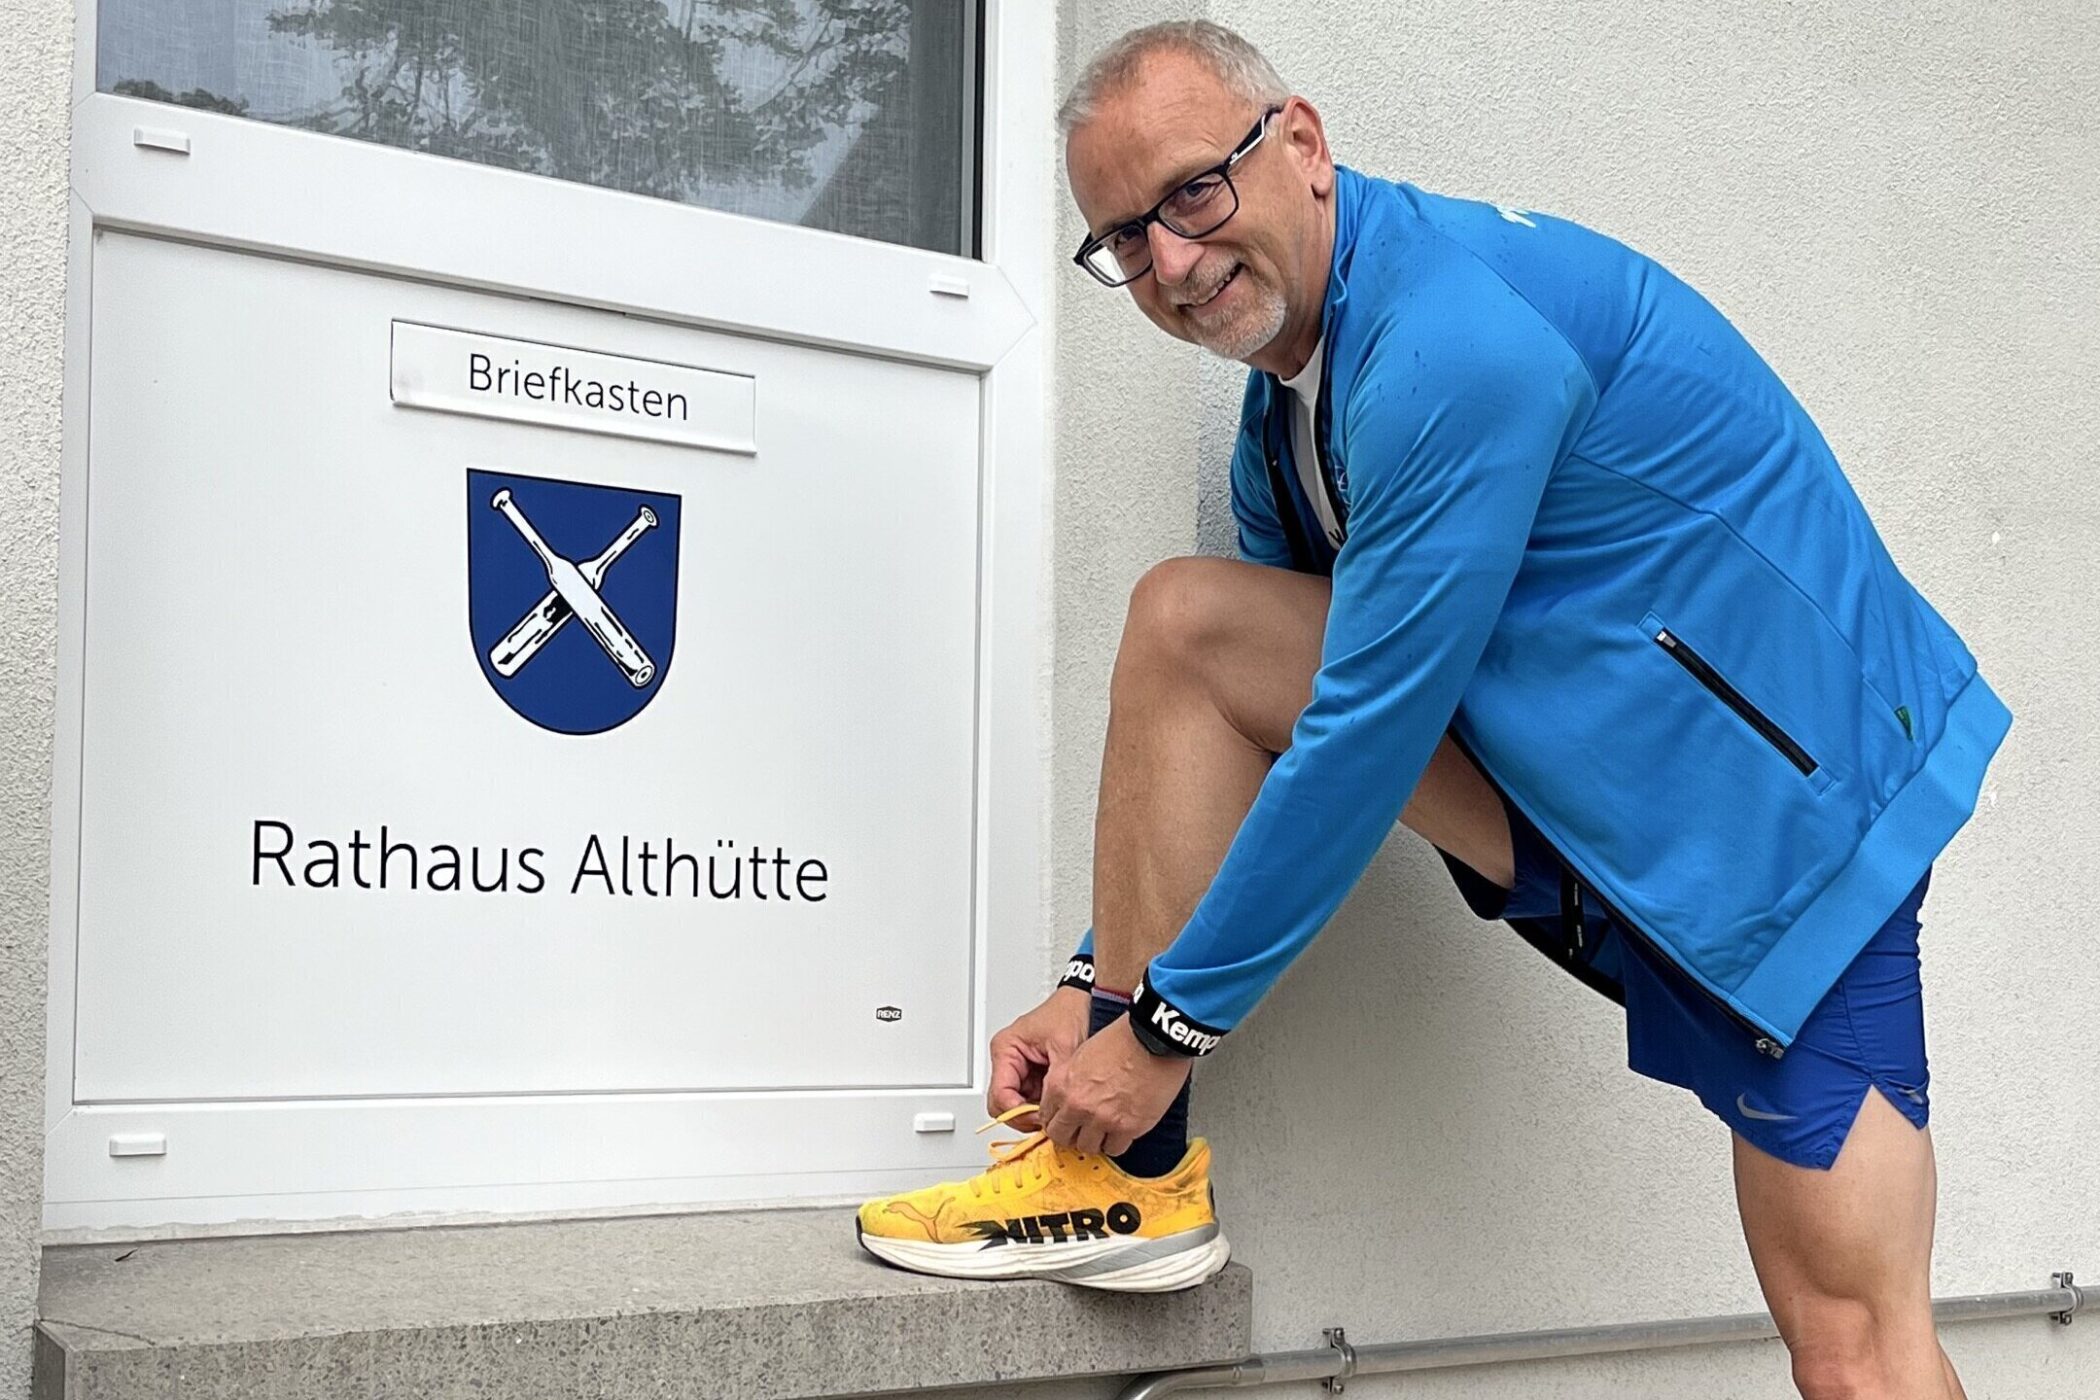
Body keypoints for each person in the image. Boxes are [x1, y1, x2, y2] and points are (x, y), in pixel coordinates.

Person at [854, 21, 2007, 1398]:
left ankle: (1141, 1136)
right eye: (1122, 238)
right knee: (1193, 624)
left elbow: (1368, 732)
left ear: (1304, 146)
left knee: (1857, 1351)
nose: (1168, 261)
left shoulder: (1453, 343)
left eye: (1191, 193)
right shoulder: (1296, 397)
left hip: (1795, 836)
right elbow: (1258, 712)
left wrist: (1162, 1035)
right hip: (1602, 816)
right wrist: (1096, 985)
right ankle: (1136, 1188)